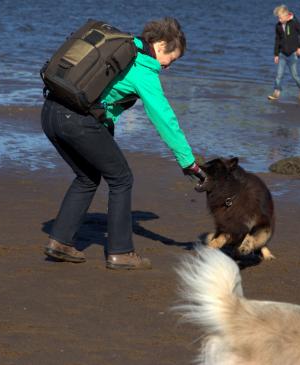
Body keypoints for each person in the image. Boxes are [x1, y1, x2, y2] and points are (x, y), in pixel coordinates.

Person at [41, 17, 205, 270]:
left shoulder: (124, 48)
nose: (169, 66)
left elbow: (104, 99)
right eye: (172, 59)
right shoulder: (143, 70)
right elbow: (165, 120)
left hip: (51, 112)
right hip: (76, 121)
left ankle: (60, 242)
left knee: (87, 177)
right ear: (161, 45)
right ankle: (121, 252)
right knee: (121, 178)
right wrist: (188, 162)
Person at [268, 4, 300, 101]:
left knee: (294, 75)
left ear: (287, 16)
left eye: (280, 18)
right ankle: (276, 92)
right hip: (282, 54)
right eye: (278, 18)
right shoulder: (278, 26)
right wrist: (276, 54)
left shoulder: (294, 22)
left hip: (293, 54)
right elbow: (277, 40)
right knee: (279, 74)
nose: (279, 20)